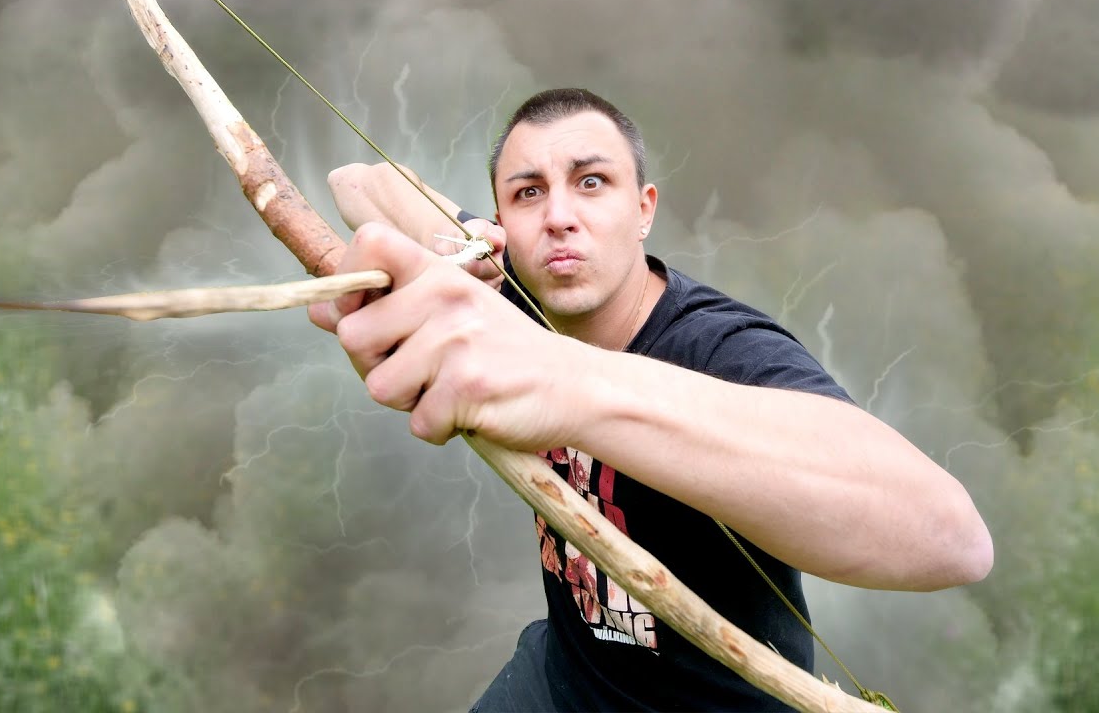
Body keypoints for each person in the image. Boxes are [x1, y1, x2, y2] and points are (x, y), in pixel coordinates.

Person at [308, 88, 993, 712]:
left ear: (643, 209)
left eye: (591, 182)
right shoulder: (508, 290)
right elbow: (356, 182)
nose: (559, 218)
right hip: (560, 683)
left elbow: (954, 541)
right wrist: (459, 242)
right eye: (528, 193)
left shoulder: (719, 346)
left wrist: (569, 382)